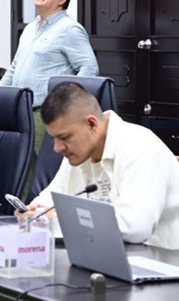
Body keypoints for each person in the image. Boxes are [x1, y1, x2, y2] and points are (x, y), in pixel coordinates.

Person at [26, 82, 179, 249]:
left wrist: (59, 219)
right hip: (105, 253)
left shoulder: (140, 147)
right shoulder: (79, 153)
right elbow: (48, 201)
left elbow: (135, 227)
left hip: (161, 259)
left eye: (64, 137)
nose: (57, 148)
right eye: (54, 138)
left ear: (92, 124)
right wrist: (32, 213)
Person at [0, 0, 98, 156]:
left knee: (44, 167)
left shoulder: (69, 29)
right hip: (20, 111)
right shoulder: (30, 28)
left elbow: (89, 68)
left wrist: (67, 104)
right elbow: (15, 67)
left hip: (46, 113)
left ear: (61, 0)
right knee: (23, 168)